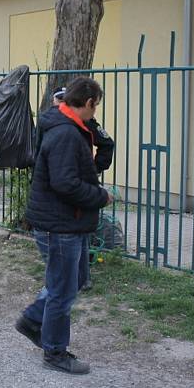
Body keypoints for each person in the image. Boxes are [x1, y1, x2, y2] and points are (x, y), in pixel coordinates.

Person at [16, 77, 112, 375]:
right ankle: (55, 351)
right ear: (88, 103)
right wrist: (100, 196)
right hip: (60, 225)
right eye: (94, 107)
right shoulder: (66, 134)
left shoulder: (73, 128)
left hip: (70, 222)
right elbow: (64, 182)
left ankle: (33, 320)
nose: (94, 113)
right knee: (62, 291)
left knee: (77, 278)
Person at [51, 86, 115, 291]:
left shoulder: (86, 124)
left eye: (63, 99)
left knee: (80, 228)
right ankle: (67, 278)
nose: (60, 103)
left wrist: (94, 168)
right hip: (58, 181)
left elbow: (107, 144)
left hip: (79, 182)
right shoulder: (50, 122)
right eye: (58, 99)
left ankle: (81, 277)